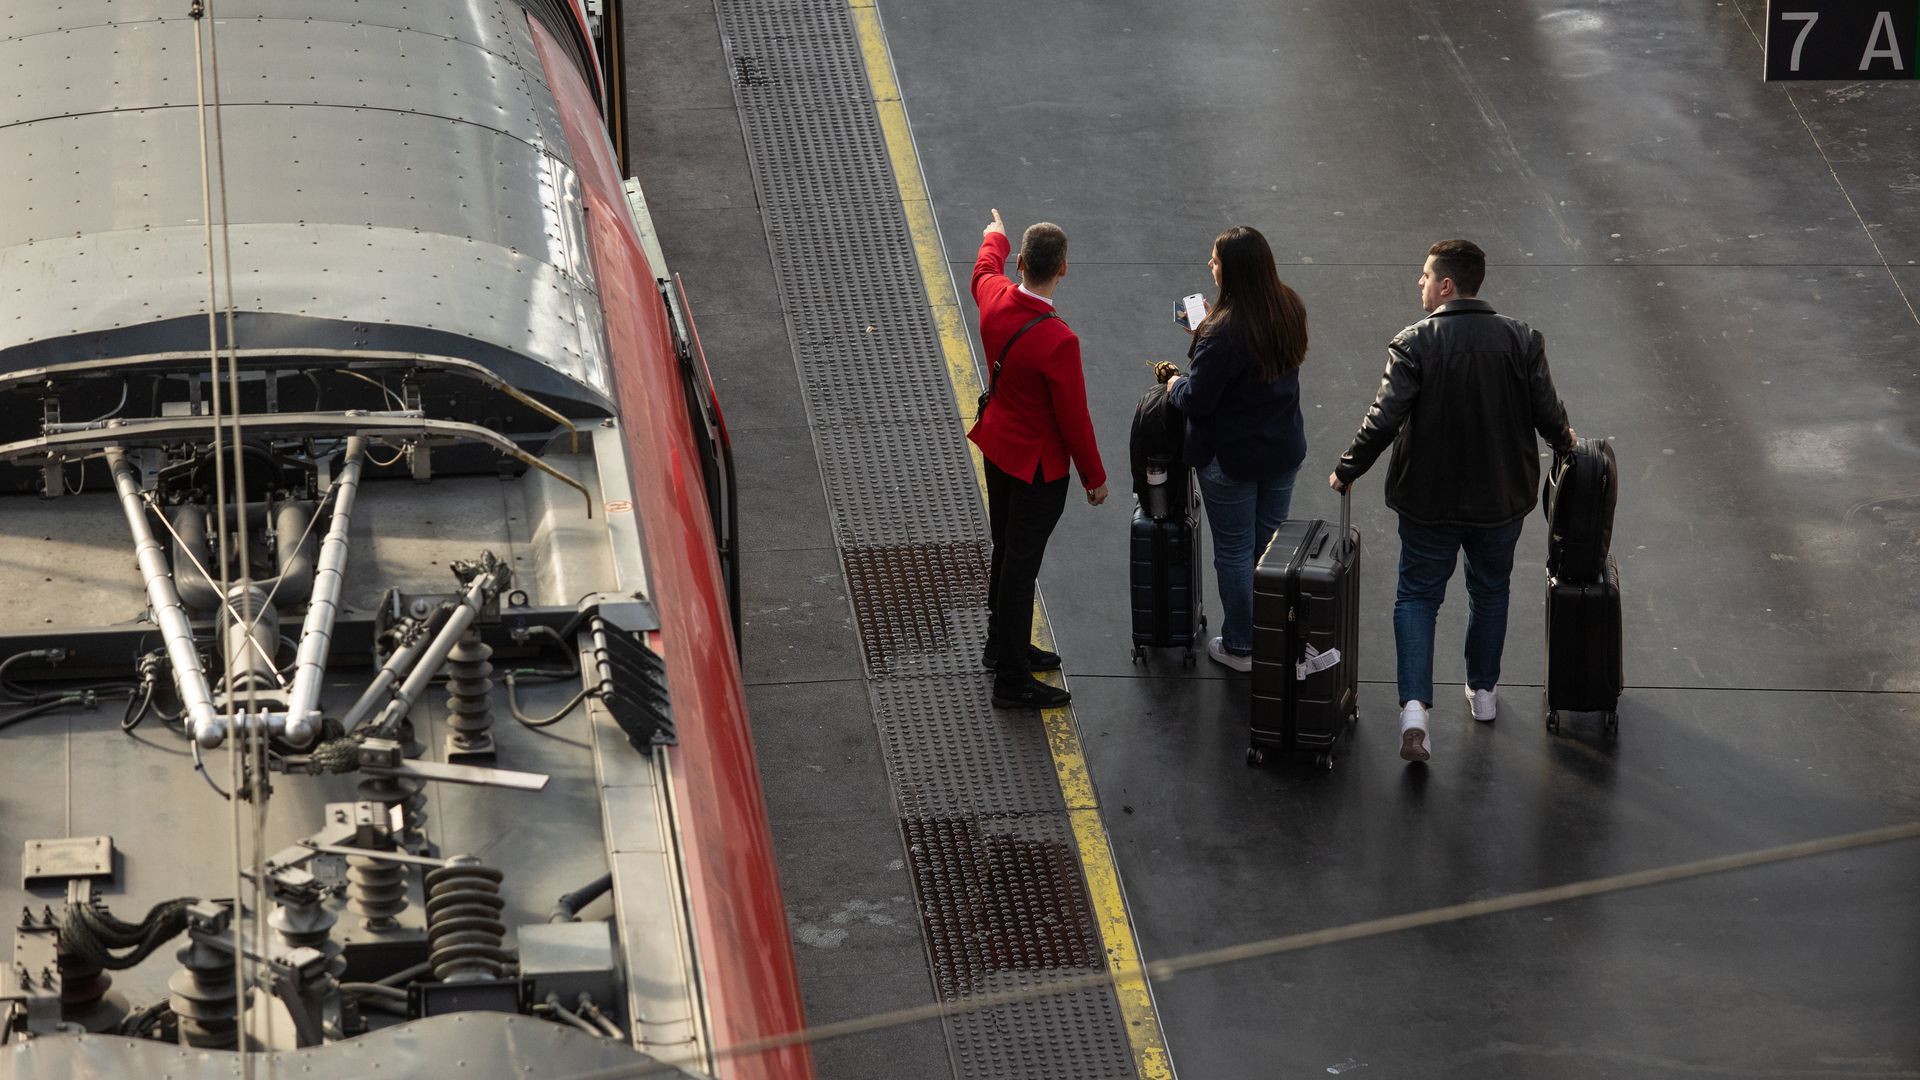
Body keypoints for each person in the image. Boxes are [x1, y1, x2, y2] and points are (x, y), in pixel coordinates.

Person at [1329, 239, 1576, 764]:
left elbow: (1385, 417)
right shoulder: (1521, 339)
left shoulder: (1415, 343)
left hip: (1427, 502)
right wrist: (1568, 443)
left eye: (1424, 276)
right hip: (1501, 500)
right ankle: (1483, 694)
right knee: (1490, 592)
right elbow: (1548, 414)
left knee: (1417, 597)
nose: (1418, 283)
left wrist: (1348, 468)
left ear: (1446, 285)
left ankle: (1415, 713)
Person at [968, 209, 1109, 709]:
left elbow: (983, 270)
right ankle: (1012, 679)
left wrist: (995, 238)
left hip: (999, 448)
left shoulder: (994, 298)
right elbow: (1074, 419)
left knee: (1005, 551)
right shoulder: (1058, 340)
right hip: (1038, 470)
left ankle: (1001, 646)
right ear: (1063, 269)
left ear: (1022, 262)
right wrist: (1095, 476)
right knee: (1020, 566)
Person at [1165, 226, 1309, 672]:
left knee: (1232, 551)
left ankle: (1243, 645)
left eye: (1215, 261)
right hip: (1281, 450)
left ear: (1232, 271)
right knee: (1268, 548)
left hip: (1231, 459)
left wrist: (1173, 383)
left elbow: (1198, 398)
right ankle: (1273, 634)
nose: (1210, 266)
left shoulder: (1223, 331)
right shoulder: (1288, 307)